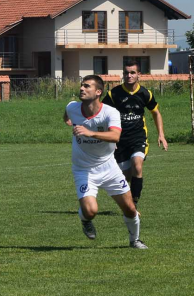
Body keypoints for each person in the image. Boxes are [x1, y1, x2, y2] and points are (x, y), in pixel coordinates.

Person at [63, 75, 147, 249]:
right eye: (81, 85)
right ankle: (85, 220)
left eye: (87, 86)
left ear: (98, 92)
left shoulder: (110, 112)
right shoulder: (72, 107)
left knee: (130, 209)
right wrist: (68, 120)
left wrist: (90, 133)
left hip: (109, 168)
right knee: (90, 211)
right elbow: (67, 113)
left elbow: (115, 136)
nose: (82, 88)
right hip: (83, 170)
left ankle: (135, 240)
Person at [102, 61, 168, 210]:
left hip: (138, 137)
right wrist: (110, 136)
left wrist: (161, 135)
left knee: (137, 166)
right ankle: (126, 200)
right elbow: (103, 114)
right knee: (124, 177)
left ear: (139, 75)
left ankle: (134, 203)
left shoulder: (145, 93)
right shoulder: (114, 94)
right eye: (126, 73)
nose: (129, 75)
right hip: (120, 140)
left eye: (132, 73)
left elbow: (156, 113)